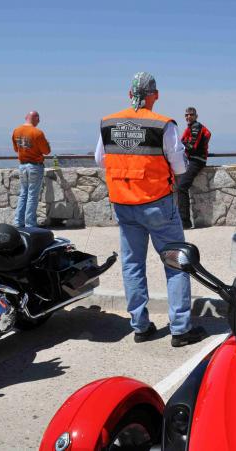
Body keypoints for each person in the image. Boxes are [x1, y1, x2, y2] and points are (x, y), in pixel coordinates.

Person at [94, 72, 207, 347]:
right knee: (175, 262)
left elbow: (100, 160)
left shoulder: (108, 123)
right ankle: (180, 329)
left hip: (124, 203)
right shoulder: (162, 125)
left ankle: (141, 326)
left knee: (132, 265)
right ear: (153, 95)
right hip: (157, 203)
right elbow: (179, 166)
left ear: (129, 94)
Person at [11, 110, 51, 228]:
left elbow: (15, 149)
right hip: (34, 166)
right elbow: (46, 151)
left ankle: (18, 222)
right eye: (38, 119)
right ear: (36, 118)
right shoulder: (37, 133)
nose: (39, 122)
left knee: (23, 194)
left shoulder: (16, 131)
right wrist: (47, 143)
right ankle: (30, 224)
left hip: (22, 165)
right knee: (32, 195)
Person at [177, 106, 212, 229]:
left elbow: (192, 147)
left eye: (191, 115)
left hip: (196, 161)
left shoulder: (196, 127)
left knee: (181, 187)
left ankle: (184, 222)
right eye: (186, 115)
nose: (188, 117)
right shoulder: (191, 127)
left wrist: (180, 142)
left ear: (196, 116)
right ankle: (184, 221)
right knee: (181, 185)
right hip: (193, 160)